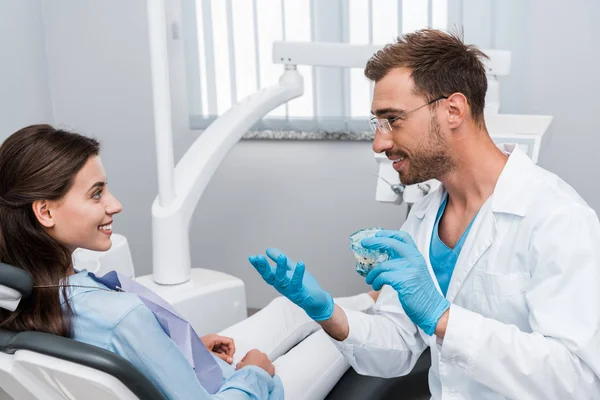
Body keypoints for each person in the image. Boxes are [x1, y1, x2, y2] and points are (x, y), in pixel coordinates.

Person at [249, 29, 600, 399]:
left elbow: (579, 380)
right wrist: (327, 313)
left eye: (393, 120)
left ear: (453, 110)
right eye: (377, 123)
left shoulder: (557, 219)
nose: (379, 143)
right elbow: (399, 347)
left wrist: (444, 319)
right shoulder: (426, 214)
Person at [0, 124, 379, 400]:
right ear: (45, 211)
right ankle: (389, 315)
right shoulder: (120, 317)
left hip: (198, 376)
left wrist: (184, 347)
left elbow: (122, 360)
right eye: (96, 194)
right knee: (337, 337)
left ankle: (370, 302)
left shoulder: (29, 294)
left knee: (289, 309)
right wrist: (254, 374)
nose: (114, 205)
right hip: (247, 393)